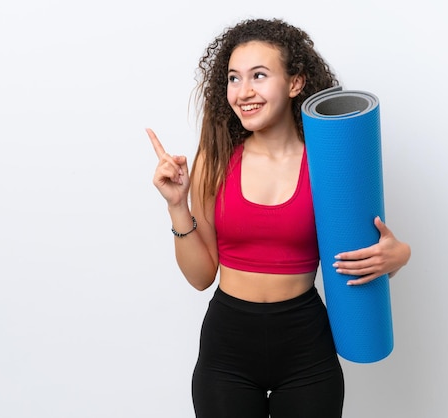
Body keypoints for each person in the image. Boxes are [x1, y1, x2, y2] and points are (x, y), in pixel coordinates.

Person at [146, 17, 411, 418]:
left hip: (306, 347)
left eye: (258, 75)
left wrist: (399, 255)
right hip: (227, 349)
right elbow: (201, 277)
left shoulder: (328, 165)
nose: (243, 91)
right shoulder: (215, 162)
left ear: (295, 83)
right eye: (234, 78)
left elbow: (363, 254)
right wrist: (177, 205)